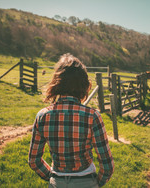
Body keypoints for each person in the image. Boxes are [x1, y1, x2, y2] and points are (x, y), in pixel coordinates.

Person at [28, 53, 114, 187]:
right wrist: (97, 183)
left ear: (57, 83)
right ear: (84, 84)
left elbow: (34, 161)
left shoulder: (42, 116)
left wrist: (52, 177)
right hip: (87, 181)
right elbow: (107, 165)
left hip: (57, 182)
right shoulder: (92, 116)